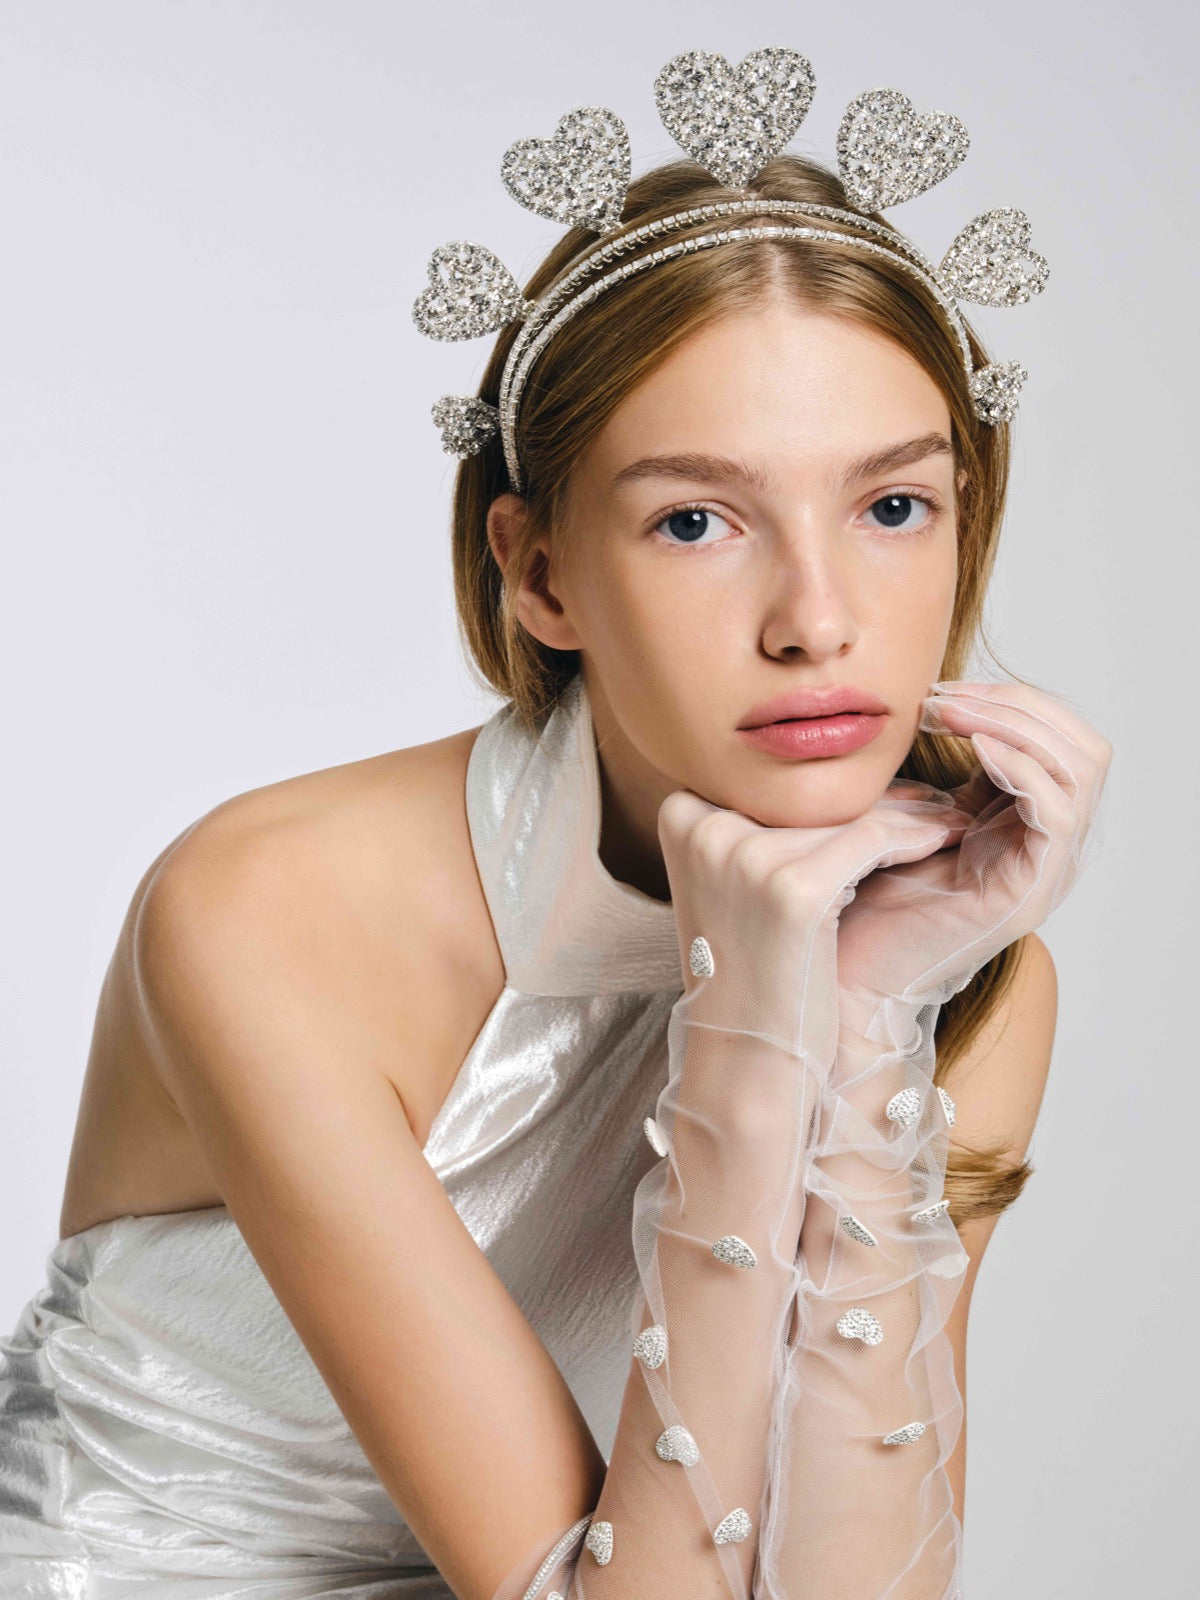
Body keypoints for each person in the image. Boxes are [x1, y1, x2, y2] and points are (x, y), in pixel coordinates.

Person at [0, 44, 1110, 1600]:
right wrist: (750, 1039)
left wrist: (860, 1014)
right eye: (695, 521)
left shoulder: (969, 974)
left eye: (891, 506)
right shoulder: (270, 911)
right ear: (540, 573)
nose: (817, 619)